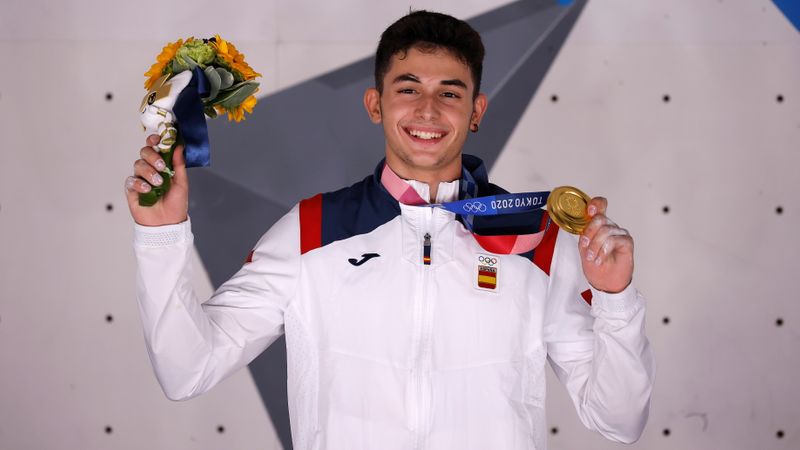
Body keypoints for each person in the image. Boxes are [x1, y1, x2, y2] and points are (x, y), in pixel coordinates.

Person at [125, 11, 654, 450]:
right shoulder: (312, 231)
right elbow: (186, 371)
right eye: (408, 88)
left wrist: (614, 298)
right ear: (375, 104)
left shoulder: (535, 238)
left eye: (451, 93)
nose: (428, 109)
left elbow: (619, 420)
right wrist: (161, 237)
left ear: (476, 112)